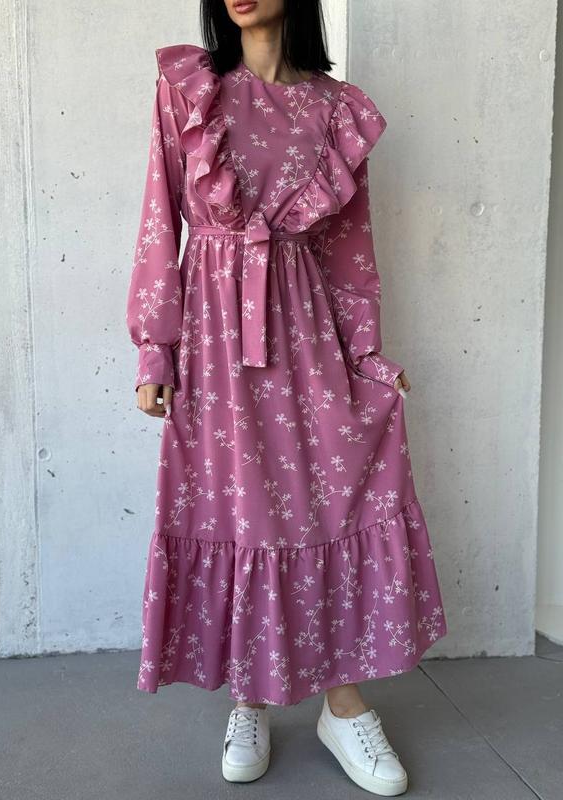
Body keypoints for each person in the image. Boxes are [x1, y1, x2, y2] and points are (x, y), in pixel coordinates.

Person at [126, 0, 447, 794]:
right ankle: (251, 697)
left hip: (306, 332)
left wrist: (365, 357)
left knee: (327, 505)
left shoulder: (336, 110)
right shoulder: (189, 90)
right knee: (238, 512)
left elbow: (349, 253)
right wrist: (155, 348)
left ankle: (344, 705)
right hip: (213, 338)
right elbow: (159, 222)